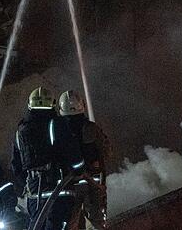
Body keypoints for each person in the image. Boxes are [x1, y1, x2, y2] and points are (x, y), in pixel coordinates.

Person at [12, 86, 84, 230]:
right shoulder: (58, 124)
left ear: (29, 104)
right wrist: (79, 170)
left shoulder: (20, 132)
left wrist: (29, 183)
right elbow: (74, 155)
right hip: (59, 189)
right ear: (52, 103)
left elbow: (16, 167)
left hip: (34, 195)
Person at [59, 90, 110, 229]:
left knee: (70, 223)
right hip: (93, 183)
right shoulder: (92, 128)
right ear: (82, 105)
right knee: (99, 223)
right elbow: (106, 151)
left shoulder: (59, 131)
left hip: (69, 185)